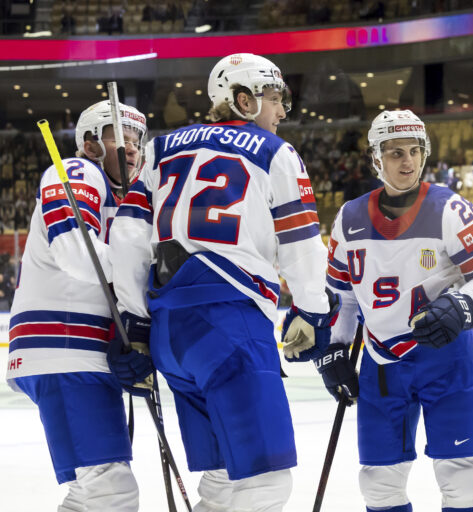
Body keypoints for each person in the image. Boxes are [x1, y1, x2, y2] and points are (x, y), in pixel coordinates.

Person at [107, 53, 333, 511]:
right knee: (265, 482)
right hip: (231, 324)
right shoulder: (275, 152)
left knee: (223, 479)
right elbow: (303, 242)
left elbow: (127, 238)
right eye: (275, 99)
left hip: (171, 333)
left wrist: (134, 323)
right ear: (245, 100)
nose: (283, 112)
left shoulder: (159, 148)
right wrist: (312, 310)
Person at [322, 109, 473, 511]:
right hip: (381, 363)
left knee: (459, 476)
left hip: (446, 358)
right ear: (376, 158)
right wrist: (335, 347)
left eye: (414, 150)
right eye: (395, 153)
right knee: (378, 481)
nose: (407, 161)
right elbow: (343, 296)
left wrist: (461, 304)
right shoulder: (349, 217)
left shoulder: (450, 208)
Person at [5, 100, 147, 511]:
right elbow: (74, 251)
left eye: (137, 138)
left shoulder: (124, 199)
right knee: (109, 491)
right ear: (89, 142)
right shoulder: (77, 171)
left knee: (95, 492)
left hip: (82, 354)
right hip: (62, 349)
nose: (132, 147)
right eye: (118, 137)